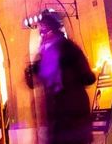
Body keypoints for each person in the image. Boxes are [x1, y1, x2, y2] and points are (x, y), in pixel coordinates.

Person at [26, 12, 96, 144]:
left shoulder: (64, 50)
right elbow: (88, 77)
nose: (42, 36)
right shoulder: (62, 50)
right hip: (63, 119)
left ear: (52, 30)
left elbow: (87, 77)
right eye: (41, 33)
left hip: (70, 117)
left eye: (43, 32)